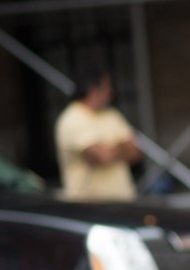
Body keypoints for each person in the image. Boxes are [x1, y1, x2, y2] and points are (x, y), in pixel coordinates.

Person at [55, 66, 141, 201]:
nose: (111, 92)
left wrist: (110, 150)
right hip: (89, 206)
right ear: (93, 90)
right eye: (107, 87)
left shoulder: (112, 115)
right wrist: (122, 146)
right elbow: (104, 157)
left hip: (123, 202)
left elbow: (135, 153)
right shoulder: (72, 119)